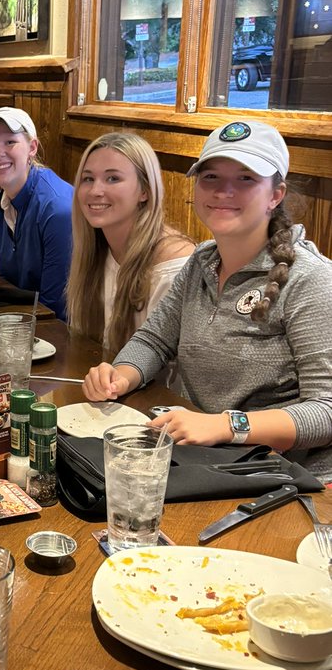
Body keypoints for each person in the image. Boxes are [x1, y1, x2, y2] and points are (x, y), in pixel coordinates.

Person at [83, 121, 332, 477]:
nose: (222, 191)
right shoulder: (202, 260)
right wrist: (120, 376)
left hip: (282, 477)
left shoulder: (312, 279)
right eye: (210, 177)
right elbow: (154, 341)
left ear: (276, 195)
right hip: (205, 459)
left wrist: (225, 426)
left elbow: (326, 411)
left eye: (245, 178)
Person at [66, 132, 194, 353]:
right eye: (88, 179)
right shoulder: (96, 251)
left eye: (112, 178)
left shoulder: (174, 266)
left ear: (145, 191)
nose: (95, 191)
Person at [0, 106, 73, 320]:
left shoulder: (57, 210)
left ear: (32, 147)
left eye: (10, 142)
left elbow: (56, 306)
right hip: (27, 321)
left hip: (64, 330)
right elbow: (9, 285)